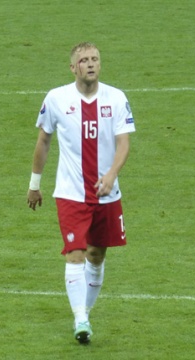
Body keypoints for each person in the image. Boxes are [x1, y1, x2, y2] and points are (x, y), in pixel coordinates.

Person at [26, 42, 135, 344]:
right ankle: (80, 319)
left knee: (97, 255)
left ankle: (83, 310)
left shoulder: (116, 98)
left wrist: (112, 174)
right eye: (84, 60)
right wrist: (35, 185)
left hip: (106, 194)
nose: (90, 64)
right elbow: (44, 142)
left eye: (95, 59)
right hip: (70, 193)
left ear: (100, 64)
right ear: (73, 67)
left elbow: (124, 143)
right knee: (75, 253)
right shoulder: (57, 98)